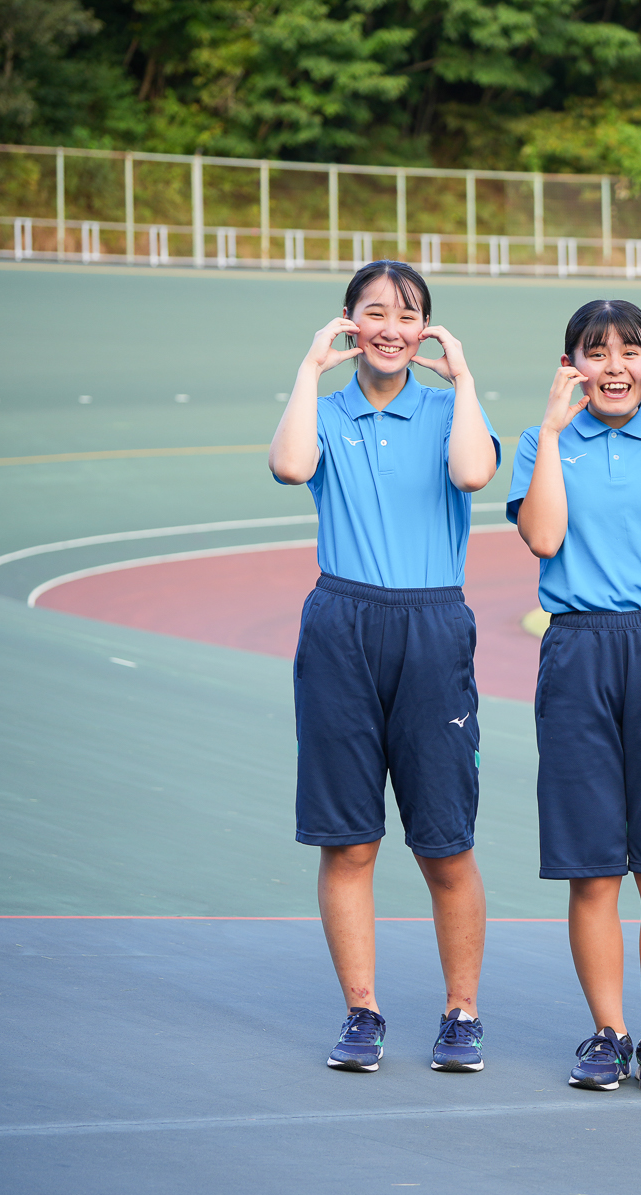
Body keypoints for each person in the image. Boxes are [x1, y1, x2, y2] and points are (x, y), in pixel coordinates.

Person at [267, 260, 500, 1074]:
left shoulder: (449, 408)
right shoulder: (324, 411)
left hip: (432, 625)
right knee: (350, 840)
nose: (391, 327)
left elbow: (474, 472)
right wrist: (308, 366)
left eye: (409, 314)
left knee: (444, 842)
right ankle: (361, 1010)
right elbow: (292, 466)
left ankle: (461, 1011)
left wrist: (463, 375)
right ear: (348, 322)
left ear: (428, 330)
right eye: (374, 312)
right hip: (342, 623)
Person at [507, 300, 641, 1096]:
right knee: (592, 866)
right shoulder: (545, 442)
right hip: (579, 647)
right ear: (571, 367)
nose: (612, 365)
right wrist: (555, 430)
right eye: (593, 352)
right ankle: (608, 1031)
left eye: (628, 350)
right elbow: (543, 537)